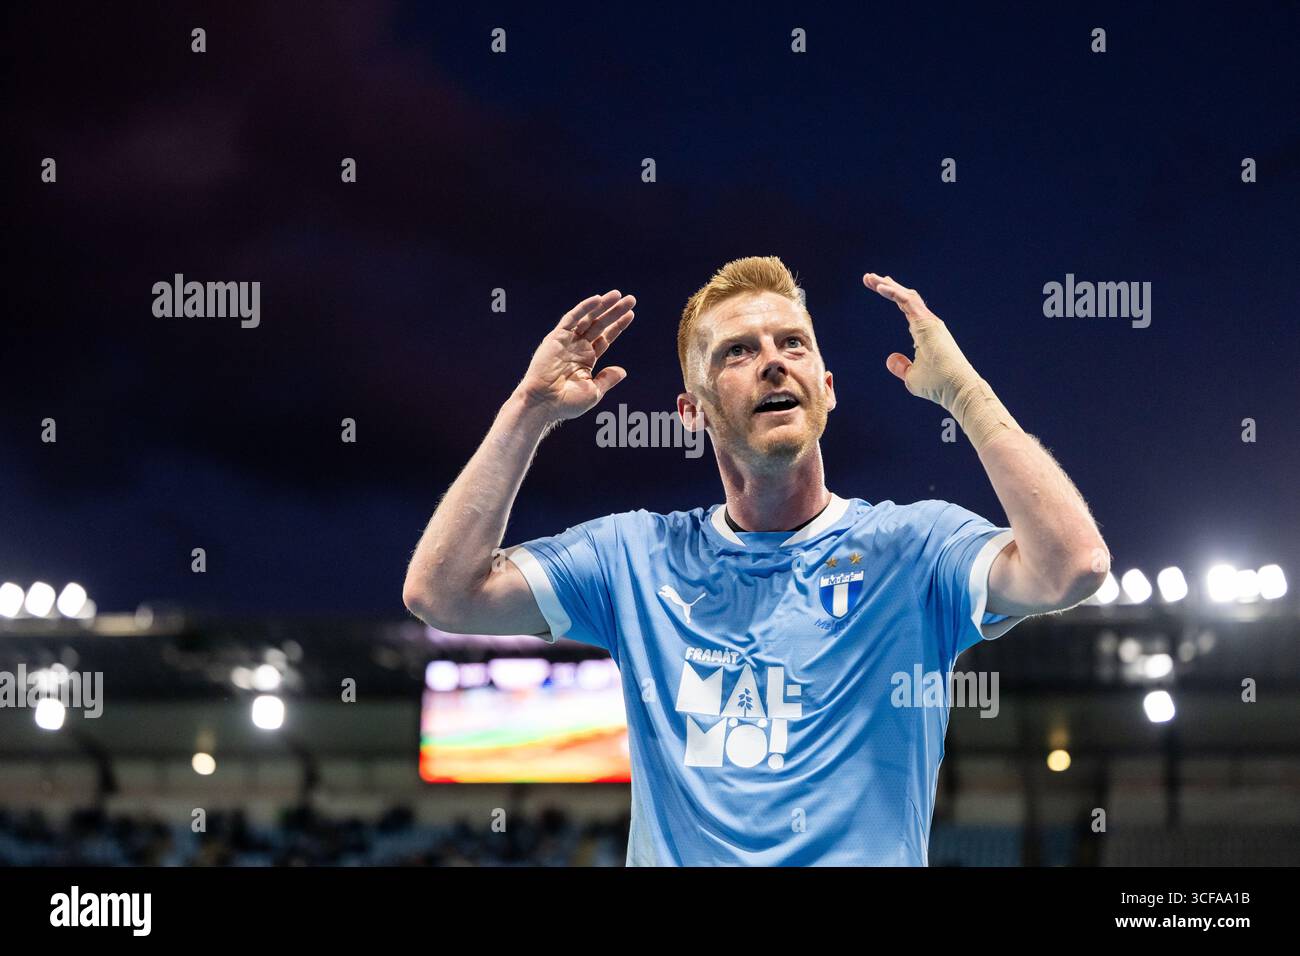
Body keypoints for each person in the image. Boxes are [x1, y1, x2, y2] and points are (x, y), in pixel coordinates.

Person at [403, 255, 1109, 865]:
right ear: (692, 412)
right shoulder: (633, 558)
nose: (773, 358)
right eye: (737, 351)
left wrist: (964, 393)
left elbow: (1071, 567)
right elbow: (443, 593)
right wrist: (528, 408)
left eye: (793, 343)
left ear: (827, 387)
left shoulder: (914, 550)